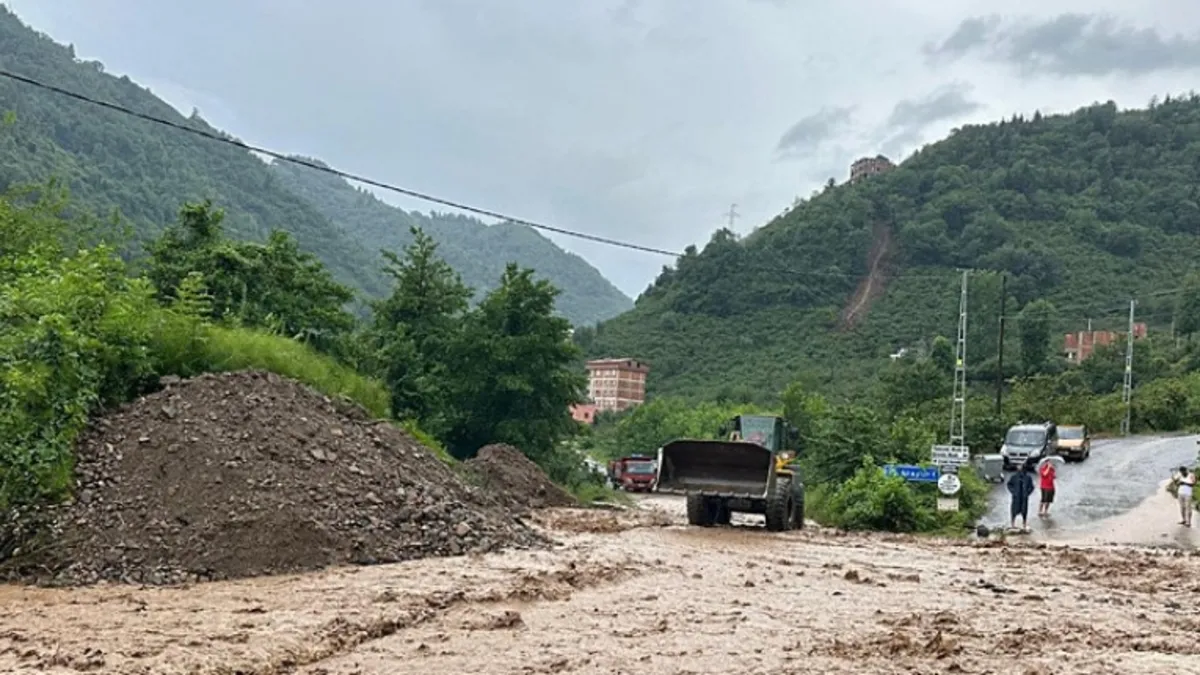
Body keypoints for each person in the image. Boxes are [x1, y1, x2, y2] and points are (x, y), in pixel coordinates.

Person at [1007, 457, 1036, 532]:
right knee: (1014, 510)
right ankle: (1012, 524)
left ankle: (1024, 523)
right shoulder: (1014, 477)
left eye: (1020, 466)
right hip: (1016, 496)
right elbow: (1009, 485)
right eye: (1018, 466)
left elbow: (1032, 487)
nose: (1018, 467)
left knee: (1024, 510)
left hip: (1024, 496)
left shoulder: (1028, 477)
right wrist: (1013, 492)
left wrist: (1027, 493)